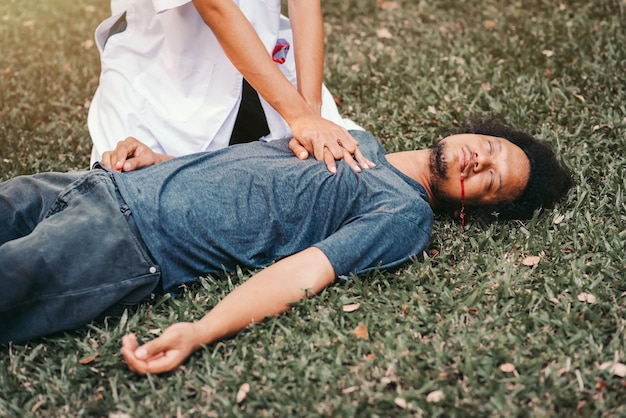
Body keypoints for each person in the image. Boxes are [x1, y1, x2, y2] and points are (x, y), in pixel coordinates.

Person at [0, 118, 572, 375]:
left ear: (473, 205)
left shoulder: (403, 216)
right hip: (98, 182)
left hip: (128, 240)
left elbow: (306, 273)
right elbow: (247, 160)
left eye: (491, 178)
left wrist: (200, 330)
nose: (480, 159)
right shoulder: (354, 136)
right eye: (492, 147)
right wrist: (162, 161)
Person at [89, 0, 372, 173]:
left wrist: (311, 113)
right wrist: (299, 117)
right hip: (164, 74)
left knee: (346, 164)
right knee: (136, 186)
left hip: (263, 55)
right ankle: (165, 163)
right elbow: (214, 7)